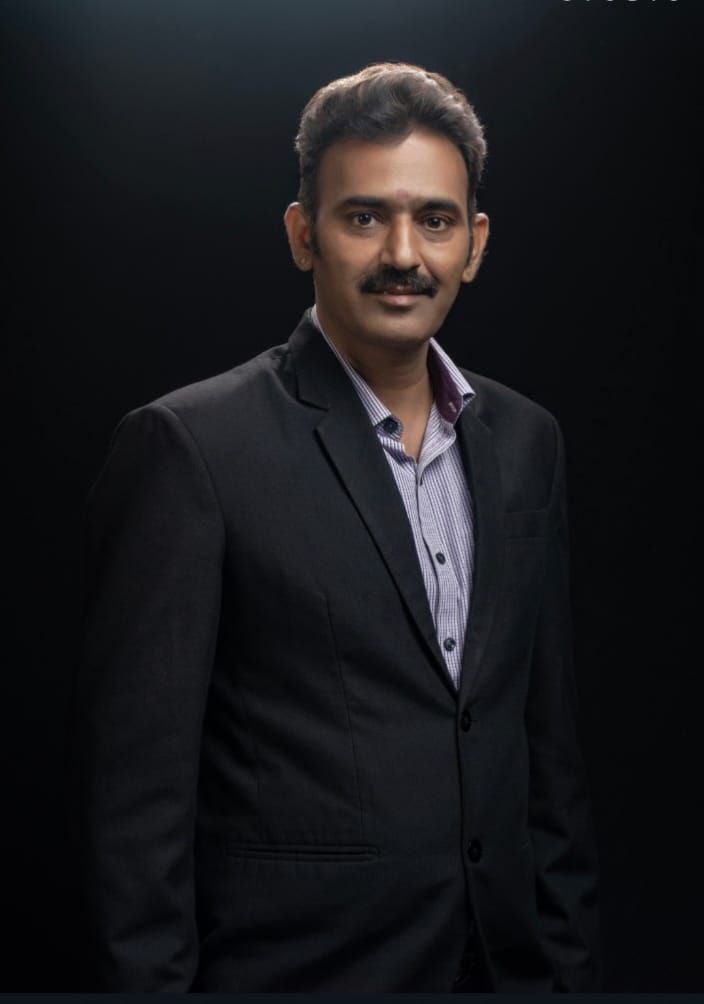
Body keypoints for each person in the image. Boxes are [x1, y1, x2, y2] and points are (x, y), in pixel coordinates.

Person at [69, 61, 602, 992]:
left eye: (435, 219)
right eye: (363, 217)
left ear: (474, 244)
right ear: (302, 234)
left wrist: (566, 974)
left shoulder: (528, 442)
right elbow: (134, 806)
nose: (404, 253)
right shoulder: (191, 448)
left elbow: (548, 755)